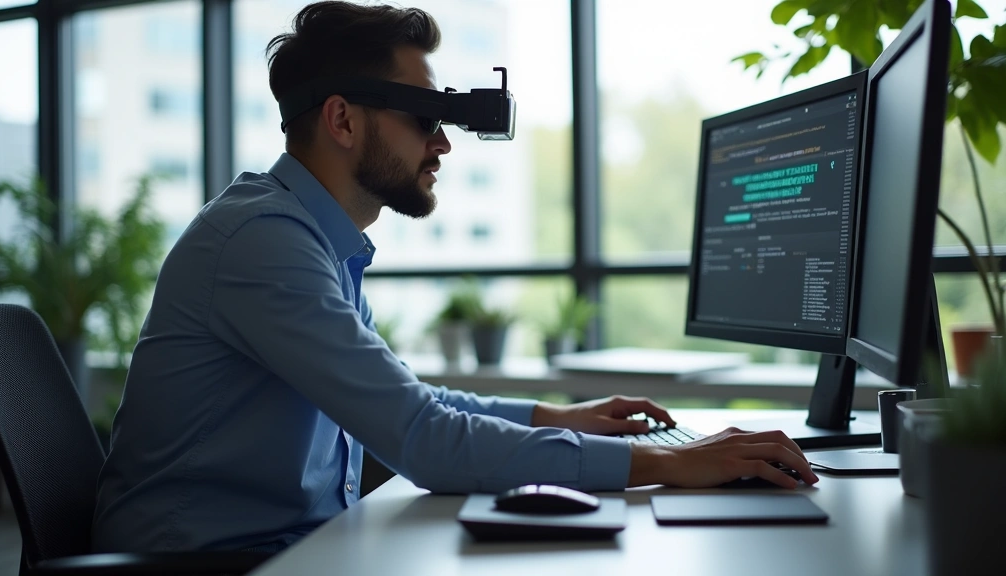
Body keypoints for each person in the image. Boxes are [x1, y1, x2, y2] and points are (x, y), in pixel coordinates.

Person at [91, 0, 818, 554]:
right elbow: (422, 438)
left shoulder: (310, 240)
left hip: (282, 550)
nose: (443, 142)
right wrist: (663, 462)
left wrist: (556, 418)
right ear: (342, 120)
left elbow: (406, 404)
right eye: (425, 117)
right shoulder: (262, 243)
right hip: (203, 564)